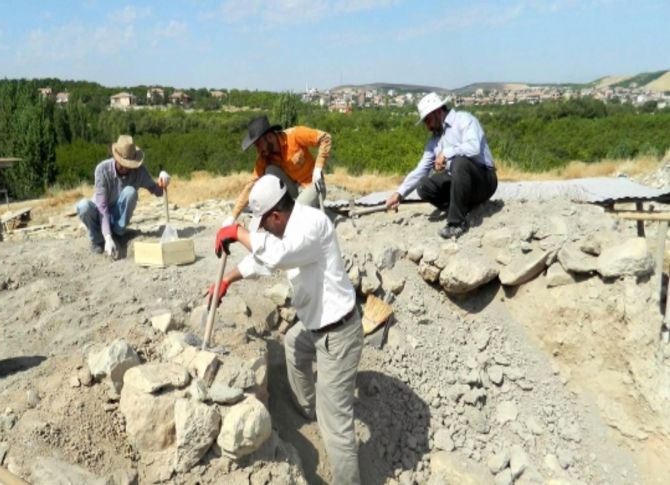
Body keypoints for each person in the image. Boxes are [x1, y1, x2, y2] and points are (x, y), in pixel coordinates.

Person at [209, 175, 363, 485]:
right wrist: (228, 279)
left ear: (276, 215)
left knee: (337, 428)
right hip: (316, 327)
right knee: (294, 343)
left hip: (338, 335)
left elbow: (276, 256)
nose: (263, 231)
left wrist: (236, 232)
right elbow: (261, 261)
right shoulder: (287, 230)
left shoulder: (311, 225)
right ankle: (309, 411)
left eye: (264, 225)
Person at [385, 92, 498, 239]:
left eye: (428, 120)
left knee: (460, 161)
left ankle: (456, 224)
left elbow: (473, 147)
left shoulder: (464, 120)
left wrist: (447, 152)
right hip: (461, 183)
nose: (427, 125)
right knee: (424, 185)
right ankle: (461, 207)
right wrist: (399, 194)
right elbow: (421, 170)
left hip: (484, 180)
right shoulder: (434, 140)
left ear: (438, 111)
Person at [222, 115, 332, 226]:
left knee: (294, 217)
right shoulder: (264, 157)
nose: (258, 150)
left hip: (313, 185)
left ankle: (298, 209)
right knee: (270, 170)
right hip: (294, 190)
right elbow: (251, 185)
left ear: (269, 137)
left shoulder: (294, 135)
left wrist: (318, 168)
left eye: (259, 145)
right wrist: (233, 216)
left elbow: (325, 138)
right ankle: (290, 207)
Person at [76, 135, 170, 256]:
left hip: (117, 219)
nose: (127, 167)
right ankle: (98, 240)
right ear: (116, 158)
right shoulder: (102, 170)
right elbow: (102, 206)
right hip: (99, 215)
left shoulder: (139, 171)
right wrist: (108, 238)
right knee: (83, 206)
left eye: (130, 164)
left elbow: (157, 190)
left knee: (130, 191)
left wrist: (164, 181)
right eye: (123, 164)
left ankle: (118, 234)